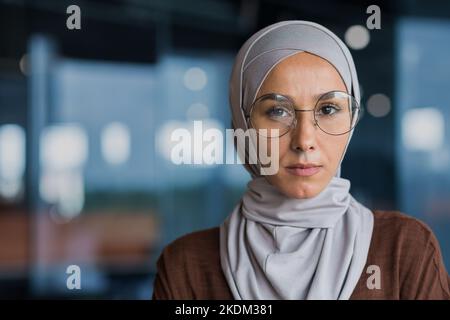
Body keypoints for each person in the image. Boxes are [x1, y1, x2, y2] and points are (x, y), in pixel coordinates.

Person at [152, 20, 450, 300]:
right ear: (243, 126)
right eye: (277, 111)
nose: (305, 140)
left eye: (329, 109)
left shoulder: (404, 249)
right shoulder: (187, 266)